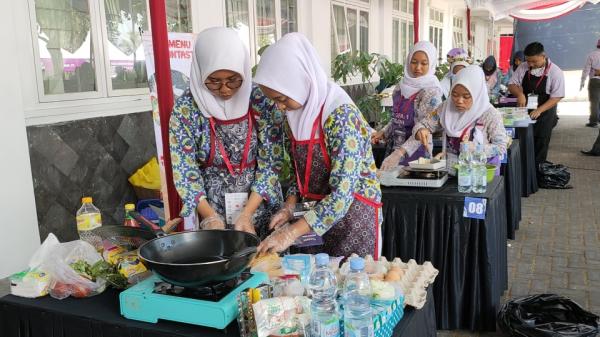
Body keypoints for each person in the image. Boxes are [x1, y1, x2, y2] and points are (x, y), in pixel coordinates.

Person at [253, 33, 382, 258]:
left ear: (300, 81)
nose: (279, 107)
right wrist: (290, 206)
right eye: (274, 100)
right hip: (311, 217)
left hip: (353, 216)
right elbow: (299, 172)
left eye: (282, 99)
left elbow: (342, 194)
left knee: (351, 284)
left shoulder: (341, 116)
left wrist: (290, 233)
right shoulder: (294, 115)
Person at [168, 27, 281, 237]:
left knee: (266, 262)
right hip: (211, 206)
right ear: (200, 72)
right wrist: (210, 217)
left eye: (233, 79)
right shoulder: (186, 109)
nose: (225, 89)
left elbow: (271, 164)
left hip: (261, 203)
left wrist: (247, 213)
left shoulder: (260, 100)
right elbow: (184, 170)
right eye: (214, 81)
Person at [412, 66, 508, 172]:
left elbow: (501, 147)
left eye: (466, 96)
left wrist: (475, 149)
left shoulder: (490, 114)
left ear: (477, 94)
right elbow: (425, 123)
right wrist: (421, 130)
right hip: (450, 172)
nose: (459, 101)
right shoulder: (444, 108)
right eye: (455, 94)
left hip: (480, 177)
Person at [372, 41, 443, 170]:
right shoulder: (401, 86)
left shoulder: (432, 91)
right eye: (414, 62)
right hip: (394, 149)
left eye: (424, 63)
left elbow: (425, 128)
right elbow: (397, 117)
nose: (418, 67)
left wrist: (400, 153)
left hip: (417, 154)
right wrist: (383, 132)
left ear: (431, 64)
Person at [508, 42, 565, 166]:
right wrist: (519, 94)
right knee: (523, 140)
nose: (530, 64)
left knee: (541, 141)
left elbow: (557, 96)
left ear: (543, 56)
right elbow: (512, 84)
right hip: (525, 109)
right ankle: (523, 170)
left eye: (534, 61)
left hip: (545, 112)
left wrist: (539, 110)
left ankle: (537, 173)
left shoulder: (555, 72)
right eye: (528, 61)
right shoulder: (523, 67)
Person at [580, 39, 600, 127]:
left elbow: (586, 70)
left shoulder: (592, 55)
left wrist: (582, 81)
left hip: (594, 81)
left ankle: (593, 122)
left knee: (594, 102)